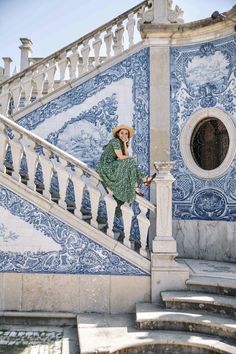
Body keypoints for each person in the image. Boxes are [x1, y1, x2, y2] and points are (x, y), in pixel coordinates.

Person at [97, 124, 156, 212]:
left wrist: (125, 143)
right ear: (118, 134)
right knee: (130, 161)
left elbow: (126, 155)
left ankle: (139, 184)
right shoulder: (115, 141)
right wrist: (130, 158)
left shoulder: (121, 143)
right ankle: (143, 181)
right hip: (106, 166)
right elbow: (121, 157)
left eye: (126, 134)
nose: (124, 135)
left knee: (129, 162)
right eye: (122, 133)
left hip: (112, 164)